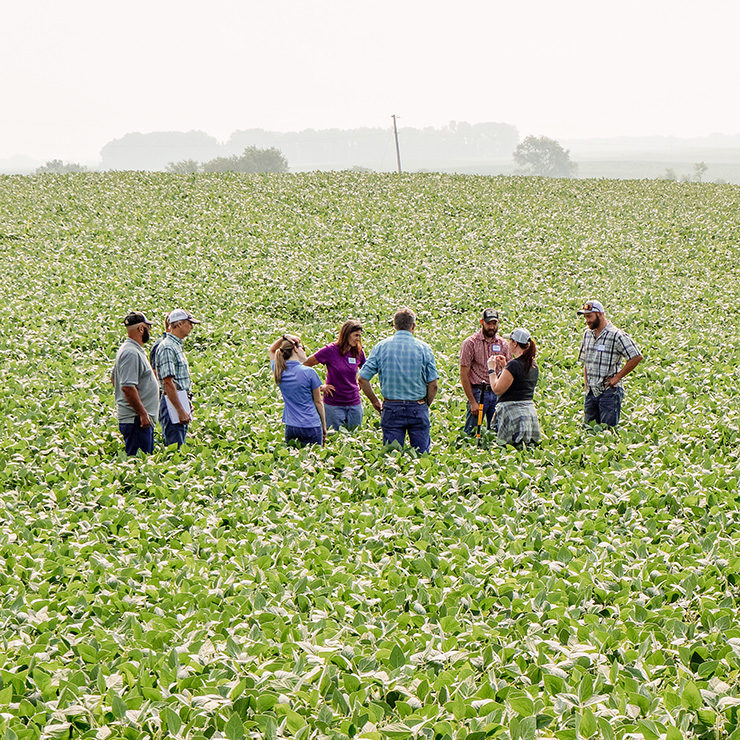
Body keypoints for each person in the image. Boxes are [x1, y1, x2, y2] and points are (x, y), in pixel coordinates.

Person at [358, 307, 439, 453]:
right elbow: (433, 384)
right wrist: (425, 403)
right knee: (422, 458)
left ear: (394, 326)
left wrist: (375, 401)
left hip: (391, 407)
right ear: (413, 326)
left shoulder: (381, 347)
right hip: (417, 406)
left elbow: (363, 378)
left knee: (392, 460)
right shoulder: (424, 348)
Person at [577, 300, 643, 427]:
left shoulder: (616, 335)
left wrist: (617, 378)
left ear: (600, 314)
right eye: (585, 317)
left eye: (589, 316)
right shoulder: (587, 334)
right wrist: (586, 385)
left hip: (609, 393)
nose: (587, 320)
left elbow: (636, 356)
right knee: (589, 431)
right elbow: (586, 361)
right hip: (591, 392)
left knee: (607, 433)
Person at [303, 320, 369, 431]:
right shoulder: (330, 350)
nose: (358, 339)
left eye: (360, 336)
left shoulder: (358, 352)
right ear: (346, 334)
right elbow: (305, 366)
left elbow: (365, 370)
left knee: (355, 436)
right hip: (333, 404)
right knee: (333, 438)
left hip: (354, 402)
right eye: (356, 335)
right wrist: (320, 387)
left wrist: (361, 381)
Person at [111, 312, 159, 456]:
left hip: (137, 419)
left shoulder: (131, 350)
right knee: (139, 464)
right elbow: (127, 387)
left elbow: (114, 379)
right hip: (136, 420)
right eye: (147, 328)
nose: (149, 331)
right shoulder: (130, 353)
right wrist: (142, 414)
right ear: (141, 329)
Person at [460, 308, 511, 435]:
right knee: (471, 432)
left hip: (497, 392)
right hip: (478, 392)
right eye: (488, 323)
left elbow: (509, 371)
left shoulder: (504, 344)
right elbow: (464, 373)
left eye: (494, 323)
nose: (492, 327)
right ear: (481, 322)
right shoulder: (470, 343)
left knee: (497, 432)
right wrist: (472, 401)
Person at [269, 334, 327, 446]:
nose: (305, 351)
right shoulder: (309, 372)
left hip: (291, 427)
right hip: (311, 425)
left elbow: (272, 350)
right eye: (303, 348)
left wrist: (284, 338)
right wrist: (324, 426)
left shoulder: (279, 370)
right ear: (295, 349)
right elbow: (318, 402)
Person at [155, 308, 201, 447]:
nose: (191, 327)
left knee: (180, 442)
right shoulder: (168, 347)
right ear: (179, 324)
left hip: (179, 399)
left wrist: (185, 403)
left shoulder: (176, 345)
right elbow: (168, 382)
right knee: (175, 446)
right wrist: (180, 410)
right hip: (172, 403)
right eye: (189, 323)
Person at [488, 327, 541, 446]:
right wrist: (505, 367)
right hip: (529, 413)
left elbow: (497, 389)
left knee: (509, 449)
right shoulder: (533, 364)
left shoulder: (514, 365)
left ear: (515, 343)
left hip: (512, 413)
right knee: (527, 450)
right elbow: (519, 382)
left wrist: (491, 370)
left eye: (510, 341)